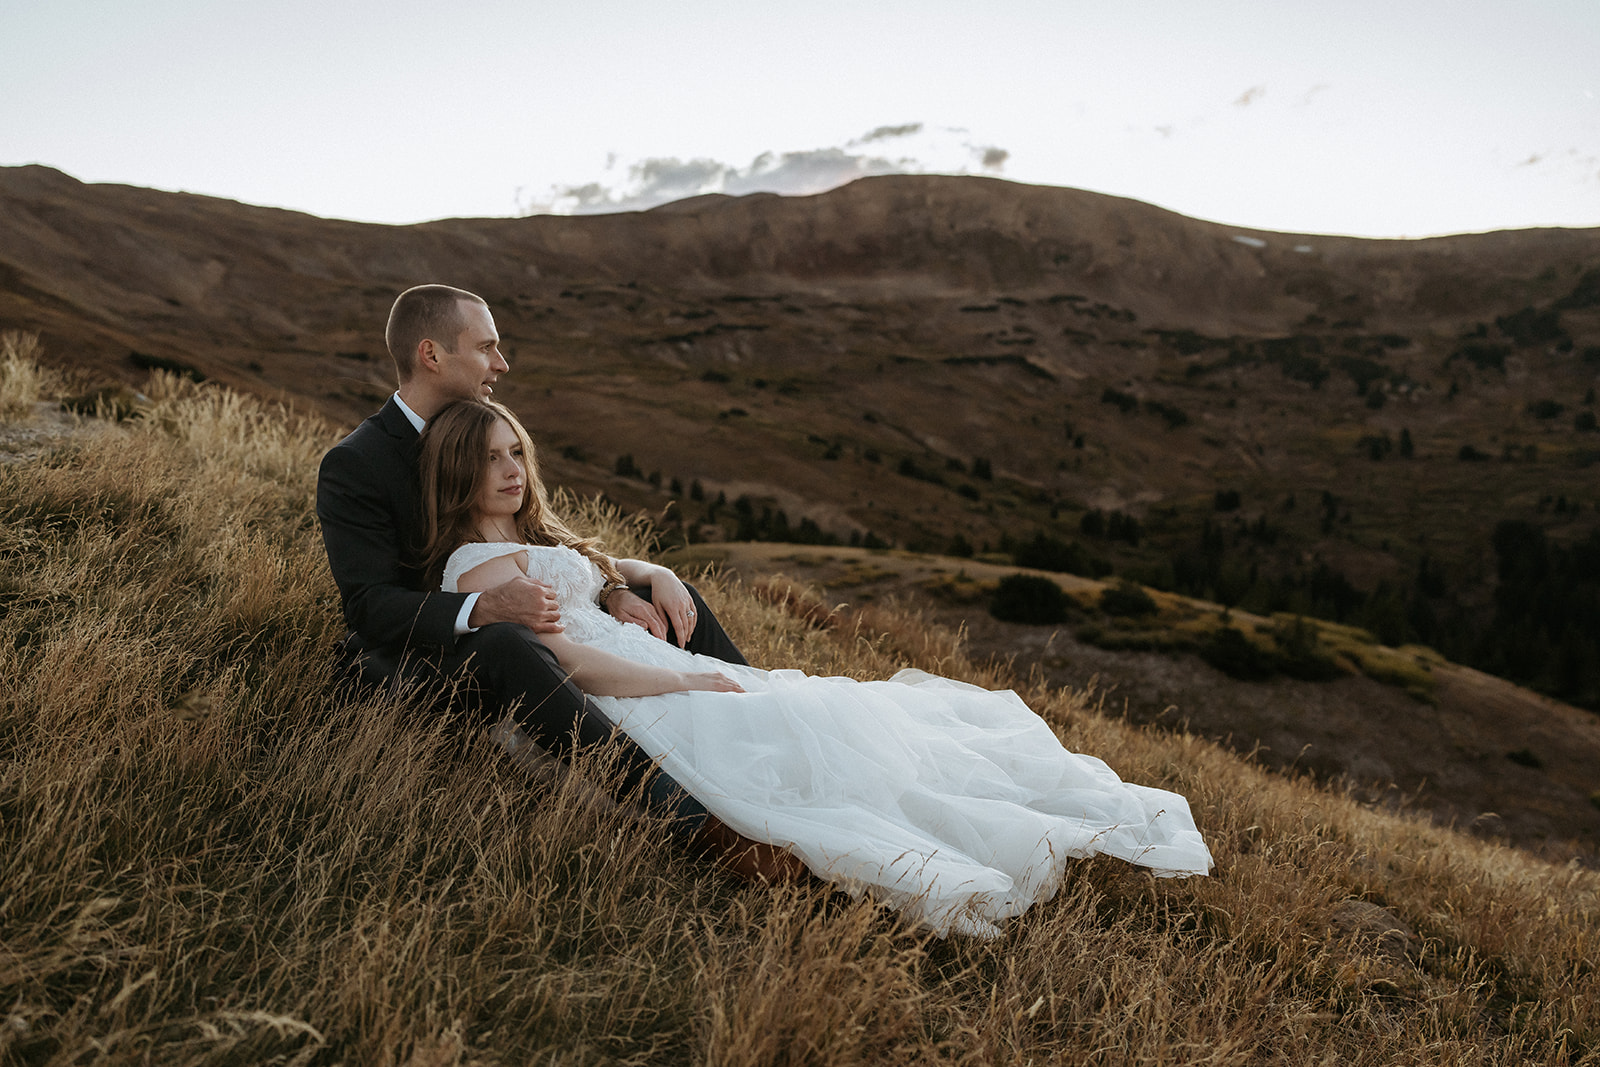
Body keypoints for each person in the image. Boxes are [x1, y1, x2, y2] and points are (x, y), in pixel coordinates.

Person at [423, 397, 1215, 937]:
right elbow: (563, 661)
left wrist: (650, 574)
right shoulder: (474, 563)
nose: (512, 468)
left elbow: (591, 569)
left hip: (645, 657)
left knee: (827, 720)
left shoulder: (538, 538)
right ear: (458, 469)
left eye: (516, 451)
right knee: (770, 730)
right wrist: (682, 677)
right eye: (491, 458)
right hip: (629, 686)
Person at [315, 283, 782, 876]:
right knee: (510, 638)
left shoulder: (488, 432)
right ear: (432, 355)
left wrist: (617, 587)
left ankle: (756, 721)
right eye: (487, 348)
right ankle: (692, 822)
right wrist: (481, 607)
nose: (501, 365)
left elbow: (541, 543)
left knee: (670, 597)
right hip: (430, 656)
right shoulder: (359, 461)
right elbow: (368, 606)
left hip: (529, 622)